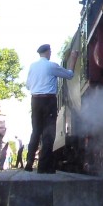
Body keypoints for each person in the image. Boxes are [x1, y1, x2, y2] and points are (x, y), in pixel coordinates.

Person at [24, 43, 73, 174]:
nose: (51, 53)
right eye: (50, 51)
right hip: (48, 101)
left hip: (35, 101)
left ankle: (29, 161)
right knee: (48, 133)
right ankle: (43, 166)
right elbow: (69, 75)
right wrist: (73, 60)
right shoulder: (52, 66)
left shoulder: (32, 66)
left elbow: (28, 86)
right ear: (48, 52)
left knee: (36, 131)